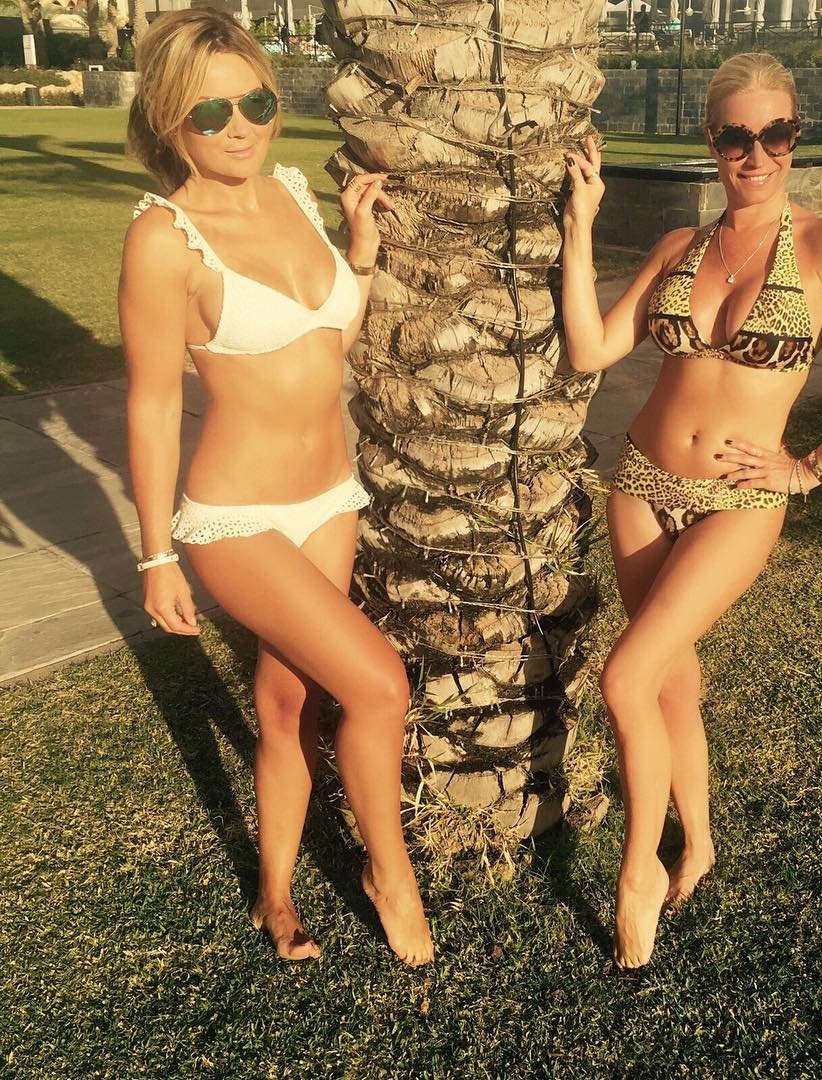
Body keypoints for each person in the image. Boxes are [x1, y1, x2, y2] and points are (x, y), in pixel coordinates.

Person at [561, 52, 822, 969]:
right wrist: (580, 228)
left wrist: (810, 469)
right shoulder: (679, 247)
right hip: (642, 482)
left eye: (775, 134)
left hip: (741, 497)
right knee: (667, 682)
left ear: (796, 137)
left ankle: (638, 871)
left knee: (624, 678)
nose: (756, 153)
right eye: (736, 136)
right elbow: (591, 350)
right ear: (712, 141)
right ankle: (700, 841)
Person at [120, 8, 434, 966]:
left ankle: (275, 894)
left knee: (289, 702)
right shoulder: (165, 239)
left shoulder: (292, 192)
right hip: (238, 517)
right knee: (379, 685)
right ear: (170, 120)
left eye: (255, 102)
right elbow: (149, 405)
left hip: (329, 497)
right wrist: (157, 555)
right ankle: (390, 876)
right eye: (211, 112)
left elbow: (331, 339)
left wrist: (359, 252)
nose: (241, 127)